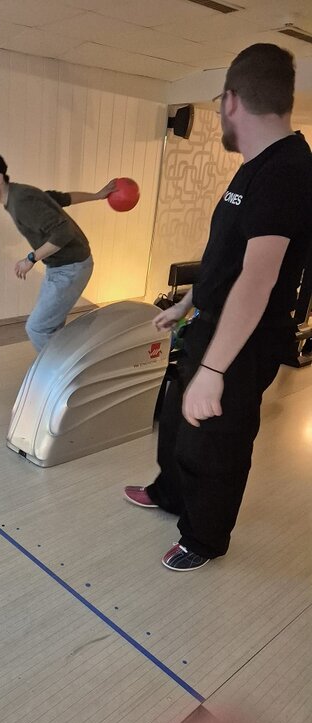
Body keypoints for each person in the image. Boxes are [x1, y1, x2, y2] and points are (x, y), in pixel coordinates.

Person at [124, 43, 312, 571]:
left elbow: (258, 277)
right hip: (211, 324)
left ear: (231, 101)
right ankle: (171, 495)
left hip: (243, 344)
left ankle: (205, 538)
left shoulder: (287, 171)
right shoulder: (255, 166)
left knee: (217, 443)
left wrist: (214, 369)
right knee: (177, 422)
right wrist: (187, 302)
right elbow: (227, 256)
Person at [0, 151, 115, 351]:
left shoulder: (21, 201)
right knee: (50, 327)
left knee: (37, 328)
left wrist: (30, 259)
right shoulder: (20, 194)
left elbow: (63, 232)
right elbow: (62, 198)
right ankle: (66, 371)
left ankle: (64, 373)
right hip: (60, 266)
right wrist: (97, 196)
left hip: (71, 267)